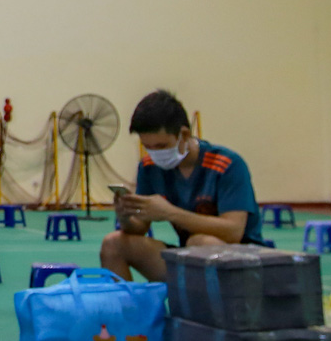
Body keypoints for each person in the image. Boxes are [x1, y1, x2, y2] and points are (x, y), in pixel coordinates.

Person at [101, 89, 267, 283]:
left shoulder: (227, 165)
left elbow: (233, 231)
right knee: (113, 243)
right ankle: (127, 311)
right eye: (148, 147)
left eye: (161, 146)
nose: (155, 154)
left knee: (201, 242)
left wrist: (170, 213)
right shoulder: (149, 168)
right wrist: (125, 215)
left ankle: (213, 308)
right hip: (190, 255)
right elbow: (139, 229)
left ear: (184, 134)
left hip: (240, 261)